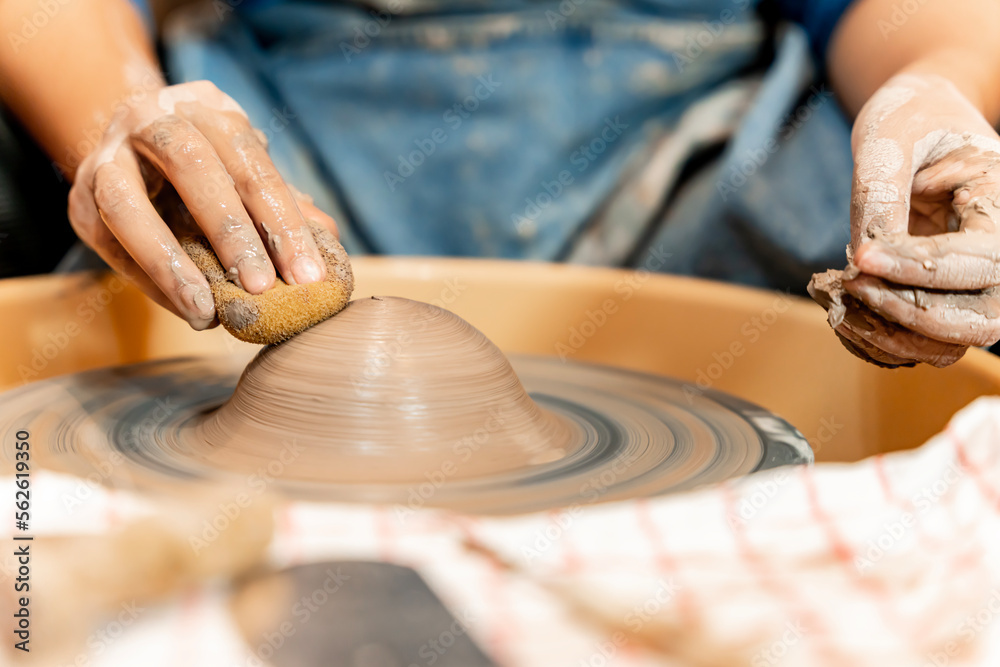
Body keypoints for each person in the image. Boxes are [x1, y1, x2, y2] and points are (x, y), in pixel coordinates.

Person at [0, 0, 998, 367]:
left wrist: (938, 79)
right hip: (292, 167)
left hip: (698, 184)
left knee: (949, 192)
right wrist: (116, 108)